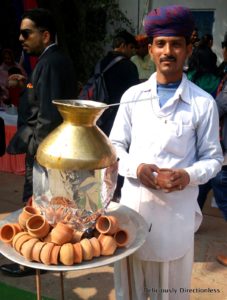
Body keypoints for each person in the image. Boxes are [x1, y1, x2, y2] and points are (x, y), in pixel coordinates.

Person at [109, 5, 223, 300]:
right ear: (150, 50)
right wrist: (137, 169)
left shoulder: (202, 103)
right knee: (130, 292)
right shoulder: (132, 97)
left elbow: (213, 158)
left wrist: (187, 175)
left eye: (176, 44)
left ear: (187, 49)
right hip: (134, 213)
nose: (168, 51)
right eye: (161, 44)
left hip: (176, 217)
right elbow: (114, 148)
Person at [0, 8, 76, 277]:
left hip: (45, 153)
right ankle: (37, 256)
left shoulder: (52, 62)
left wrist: (37, 153)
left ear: (45, 35)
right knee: (43, 205)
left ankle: (30, 260)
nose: (21, 38)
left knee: (36, 204)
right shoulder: (48, 60)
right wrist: (28, 84)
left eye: (26, 33)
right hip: (46, 150)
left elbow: (49, 115)